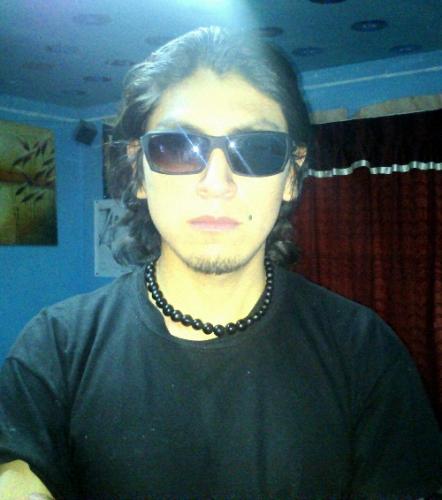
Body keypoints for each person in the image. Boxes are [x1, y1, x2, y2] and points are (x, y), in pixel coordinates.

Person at [0, 26, 440, 499]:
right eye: (177, 147)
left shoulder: (363, 351)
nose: (216, 182)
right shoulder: (57, 348)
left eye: (256, 149)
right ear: (139, 171)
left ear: (292, 176)